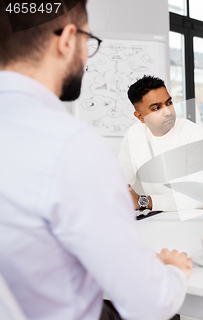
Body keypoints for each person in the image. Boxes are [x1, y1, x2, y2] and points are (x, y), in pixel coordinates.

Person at [0, 2, 191, 320]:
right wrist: (173, 271)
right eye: (88, 42)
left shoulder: (190, 132)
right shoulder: (70, 145)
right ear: (67, 40)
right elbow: (152, 303)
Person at [119, 75, 203, 212]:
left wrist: (144, 201)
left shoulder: (193, 133)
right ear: (140, 117)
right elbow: (120, 180)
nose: (168, 112)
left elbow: (198, 196)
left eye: (169, 103)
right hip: (154, 219)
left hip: (193, 220)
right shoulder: (133, 134)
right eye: (156, 108)